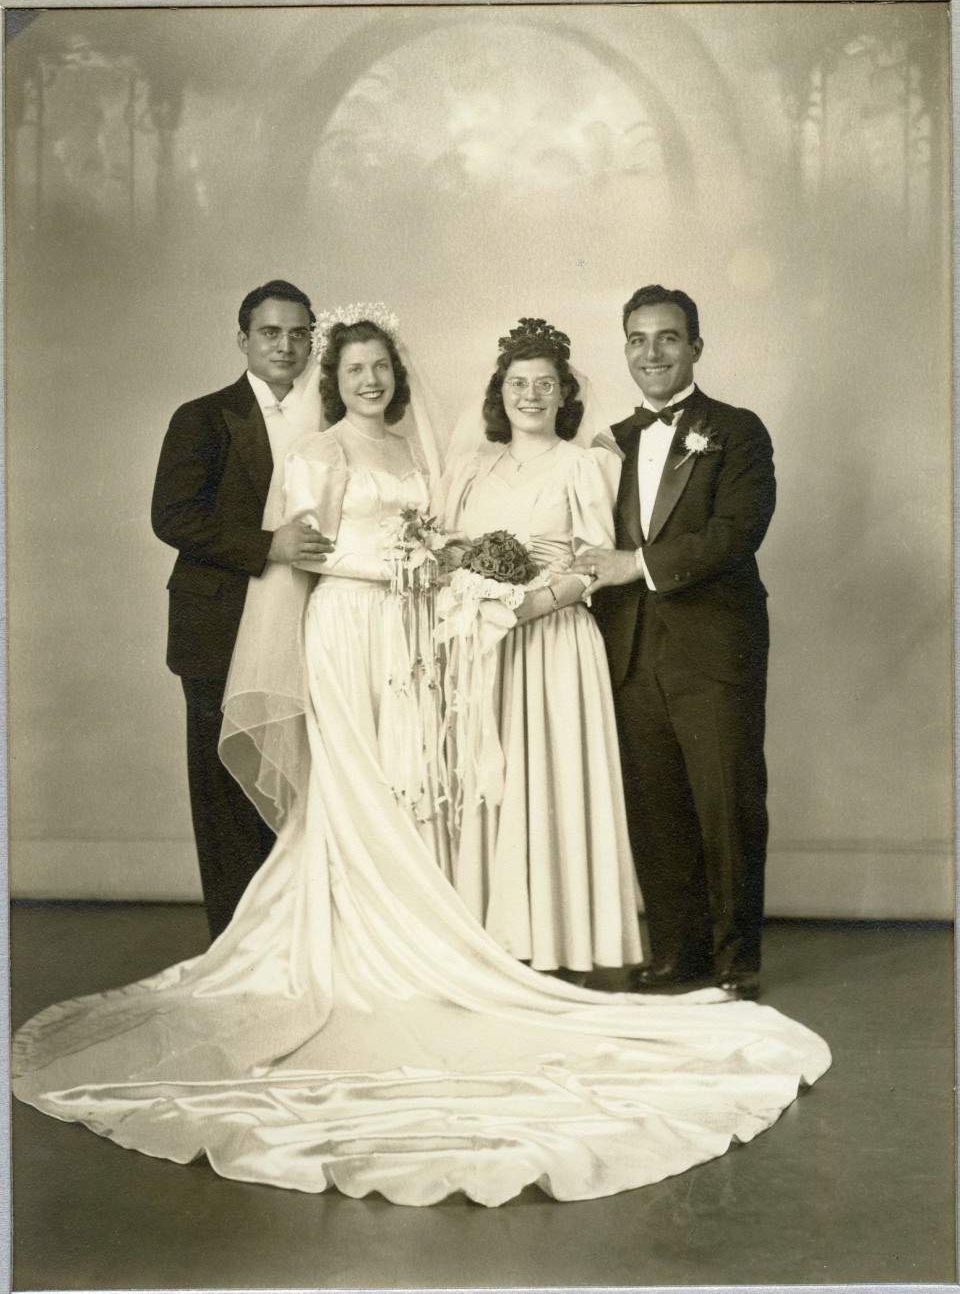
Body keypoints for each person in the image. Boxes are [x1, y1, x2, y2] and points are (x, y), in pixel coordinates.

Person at [13, 306, 827, 1206]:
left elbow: (563, 550)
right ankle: (397, 943)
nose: (371, 380)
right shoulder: (326, 453)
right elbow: (307, 555)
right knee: (382, 793)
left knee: (523, 793)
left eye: (381, 368)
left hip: (468, 640)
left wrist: (471, 588)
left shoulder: (465, 455)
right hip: (359, 633)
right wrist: (411, 584)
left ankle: (711, 958)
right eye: (355, 368)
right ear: (338, 375)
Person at [574, 286, 775, 1000]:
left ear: (696, 346)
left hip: (714, 647)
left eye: (666, 338)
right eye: (637, 339)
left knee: (726, 800)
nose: (650, 353)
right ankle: (677, 953)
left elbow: (737, 530)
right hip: (629, 646)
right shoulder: (611, 441)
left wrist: (640, 566)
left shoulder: (736, 430)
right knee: (654, 803)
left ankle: (734, 963)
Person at [442, 318, 642, 976]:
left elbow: (593, 568)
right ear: (499, 394)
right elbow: (448, 554)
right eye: (518, 384)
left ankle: (568, 940)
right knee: (494, 788)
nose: (530, 395)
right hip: (487, 652)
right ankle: (496, 937)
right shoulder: (472, 469)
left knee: (554, 785)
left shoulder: (584, 465)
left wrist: (527, 606)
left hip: (554, 643)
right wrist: (471, 589)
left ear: (564, 396)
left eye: (545, 385)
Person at [151, 280, 332, 939]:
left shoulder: (332, 417)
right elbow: (171, 516)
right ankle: (235, 939)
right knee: (225, 782)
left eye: (298, 333)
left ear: (314, 338)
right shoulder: (202, 417)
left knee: (302, 774)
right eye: (270, 333)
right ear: (243, 340)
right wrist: (268, 545)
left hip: (306, 626)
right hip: (217, 626)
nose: (285, 345)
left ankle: (297, 935)